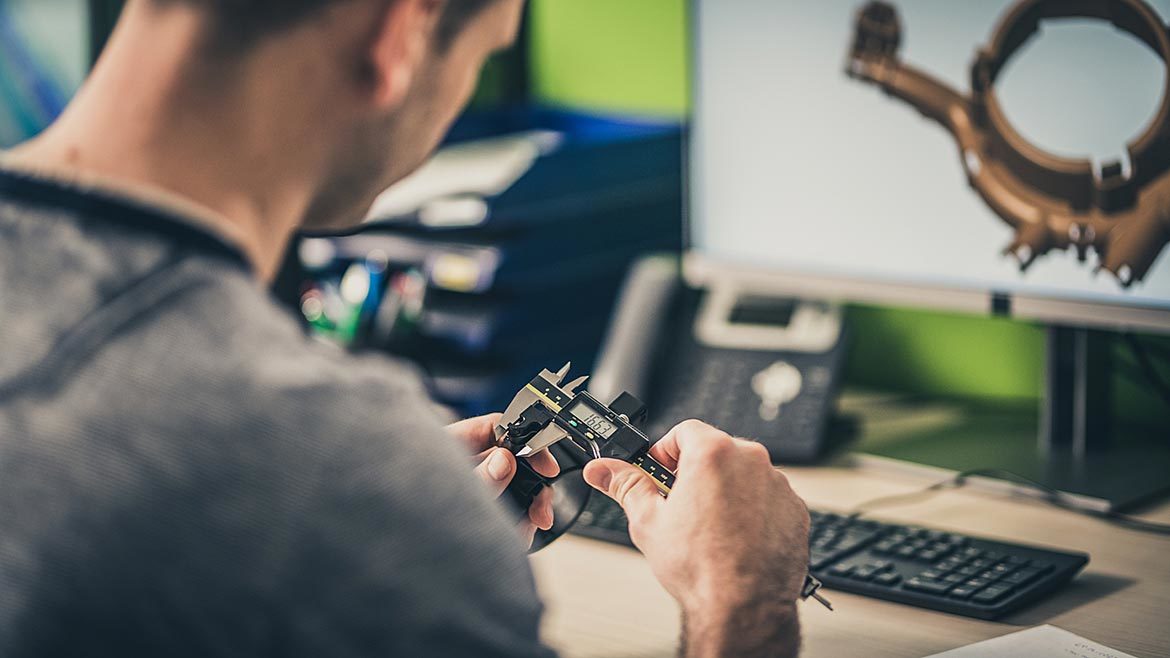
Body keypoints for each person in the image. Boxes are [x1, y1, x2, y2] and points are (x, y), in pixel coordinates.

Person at [0, 0, 811, 656]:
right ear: (400, 34)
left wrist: (344, 562)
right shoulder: (327, 457)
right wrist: (740, 604)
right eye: (483, 56)